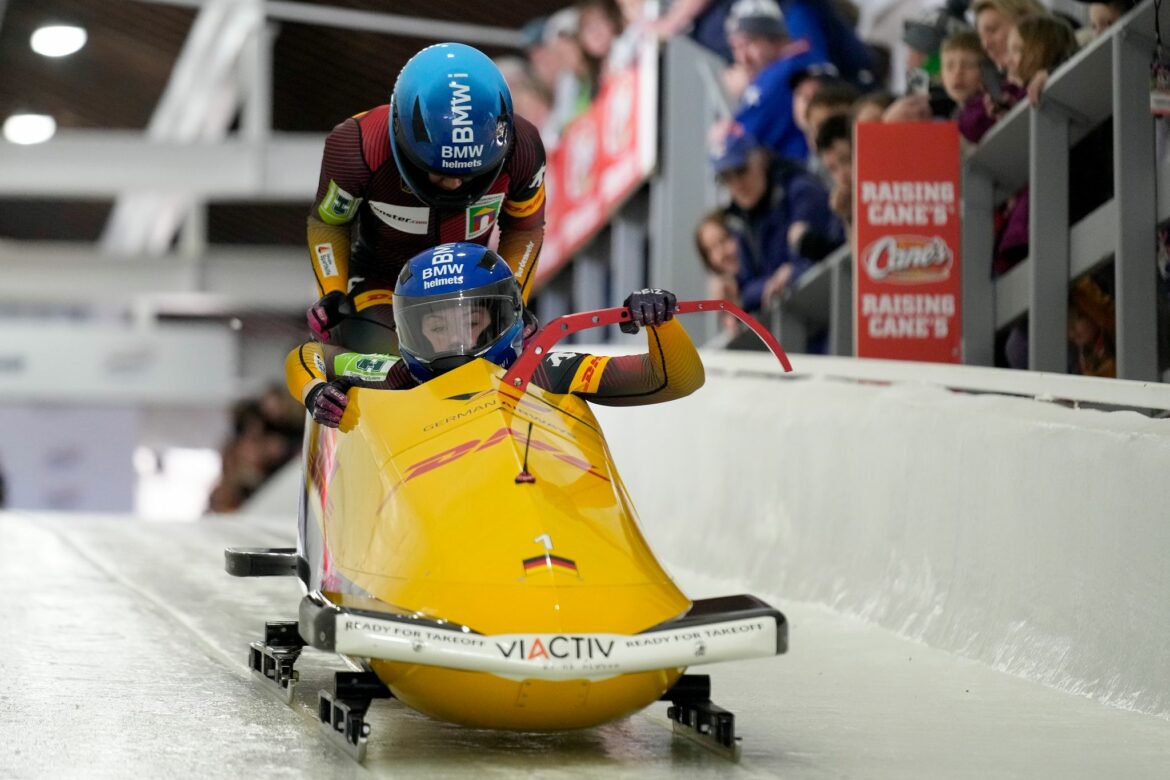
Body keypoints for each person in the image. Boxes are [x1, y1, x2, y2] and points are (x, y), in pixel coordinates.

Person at [286, 244, 704, 427]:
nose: (455, 339)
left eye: (470, 321)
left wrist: (661, 322)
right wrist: (314, 393)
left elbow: (673, 378)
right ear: (410, 331)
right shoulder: (397, 375)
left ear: (501, 317)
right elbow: (311, 355)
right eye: (436, 326)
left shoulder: (543, 371)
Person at [305, 43, 548, 352]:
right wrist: (333, 291)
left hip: (469, 290)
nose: (455, 183)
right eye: (439, 170)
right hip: (383, 287)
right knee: (387, 362)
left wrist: (513, 294)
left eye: (472, 172)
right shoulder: (357, 147)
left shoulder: (523, 148)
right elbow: (328, 222)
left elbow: (525, 227)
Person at [710, 124, 836, 314]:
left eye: (741, 170)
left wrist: (791, 274)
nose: (736, 184)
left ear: (760, 158)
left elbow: (819, 260)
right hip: (786, 327)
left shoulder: (800, 191)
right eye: (726, 178)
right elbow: (744, 291)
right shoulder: (737, 220)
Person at [727, 0, 826, 161]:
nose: (743, 58)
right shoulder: (803, 57)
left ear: (776, 41)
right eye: (736, 48)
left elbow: (735, 144)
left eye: (750, 44)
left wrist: (745, 93)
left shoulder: (778, 75)